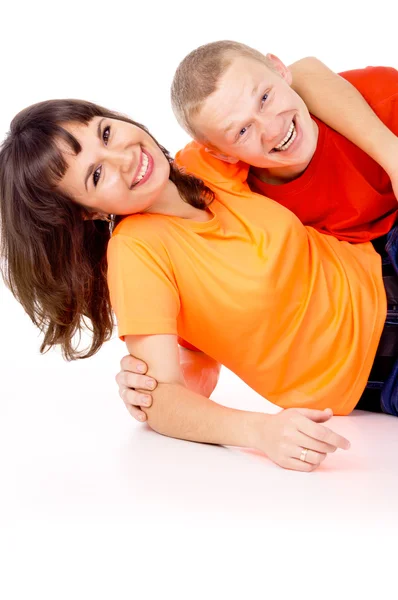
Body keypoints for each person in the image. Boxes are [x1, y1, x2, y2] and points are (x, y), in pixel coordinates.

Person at [1, 87, 396, 473]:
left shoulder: (201, 165)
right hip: (379, 362)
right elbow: (163, 400)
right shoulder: (137, 252)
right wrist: (260, 431)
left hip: (384, 259)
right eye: (97, 174)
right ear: (86, 213)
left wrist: (389, 153)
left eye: (106, 133)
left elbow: (300, 77)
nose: (122, 158)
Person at [119, 42, 398, 423]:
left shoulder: (377, 97)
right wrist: (164, 382)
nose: (271, 129)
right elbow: (208, 310)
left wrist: (391, 154)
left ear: (278, 69)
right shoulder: (226, 184)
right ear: (221, 153)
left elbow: (306, 70)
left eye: (264, 97)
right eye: (243, 131)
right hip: (368, 322)